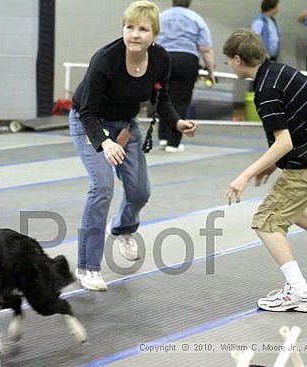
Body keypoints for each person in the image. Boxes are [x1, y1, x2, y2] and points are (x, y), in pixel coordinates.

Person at [223, 29, 307, 312]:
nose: (228, 65)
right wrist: (272, 164)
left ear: (237, 60)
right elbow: (297, 125)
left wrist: (244, 176)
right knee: (286, 205)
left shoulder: (265, 90)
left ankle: (299, 292)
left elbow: (284, 141)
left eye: (227, 61)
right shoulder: (281, 72)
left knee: (266, 222)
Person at [69, 0, 197, 291]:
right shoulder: (105, 59)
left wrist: (176, 123)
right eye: (129, 27)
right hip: (90, 121)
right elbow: (86, 112)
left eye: (143, 29)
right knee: (101, 187)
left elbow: (161, 99)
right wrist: (103, 142)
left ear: (155, 34)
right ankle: (87, 266)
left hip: (126, 126)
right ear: (123, 29)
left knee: (140, 190)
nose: (135, 34)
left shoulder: (161, 59)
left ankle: (124, 229)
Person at [156, 0, 215, 152]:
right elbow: (206, 49)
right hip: (187, 60)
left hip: (164, 57)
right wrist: (210, 72)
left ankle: (163, 137)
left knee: (163, 97)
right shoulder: (196, 18)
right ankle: (173, 142)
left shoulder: (162, 17)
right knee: (180, 100)